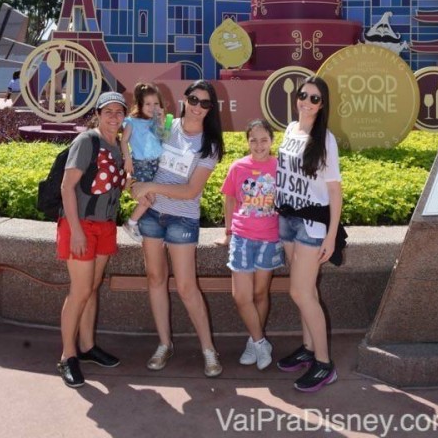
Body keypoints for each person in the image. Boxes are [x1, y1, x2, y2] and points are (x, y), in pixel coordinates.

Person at [131, 80, 225, 377]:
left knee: (186, 286)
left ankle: (209, 349)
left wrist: (151, 186)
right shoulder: (165, 125)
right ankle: (164, 343)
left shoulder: (210, 145)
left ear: (211, 109)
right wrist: (134, 182)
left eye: (205, 103)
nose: (198, 107)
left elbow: (189, 191)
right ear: (184, 99)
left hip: (182, 218)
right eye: (194, 100)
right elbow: (141, 155)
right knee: (155, 278)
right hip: (151, 214)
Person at [274, 75, 342, 392]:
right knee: (308, 291)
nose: (307, 102)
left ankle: (325, 364)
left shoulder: (325, 139)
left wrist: (330, 237)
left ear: (322, 104)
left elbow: (335, 192)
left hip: (312, 225)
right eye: (304, 95)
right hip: (288, 218)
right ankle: (308, 349)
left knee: (299, 292)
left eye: (315, 98)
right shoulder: (290, 129)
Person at [57, 91, 128, 389]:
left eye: (118, 111)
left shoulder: (117, 145)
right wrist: (76, 231)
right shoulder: (88, 141)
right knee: (80, 290)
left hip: (105, 225)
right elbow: (66, 187)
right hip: (81, 225)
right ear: (98, 114)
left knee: (92, 288)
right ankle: (67, 356)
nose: (113, 116)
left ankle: (87, 346)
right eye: (107, 111)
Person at [220, 119, 284, 370]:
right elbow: (229, 201)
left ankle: (252, 341)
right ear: (247, 142)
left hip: (270, 238)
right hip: (242, 237)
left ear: (272, 141)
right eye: (253, 140)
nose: (259, 145)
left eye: (264, 140)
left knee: (260, 294)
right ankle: (260, 342)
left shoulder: (280, 167)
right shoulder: (238, 167)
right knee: (241, 296)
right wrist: (227, 232)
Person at [121, 82, 166, 243]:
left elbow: (163, 139)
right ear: (140, 104)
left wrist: (160, 121)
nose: (152, 107)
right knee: (147, 199)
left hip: (156, 165)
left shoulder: (159, 122)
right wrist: (127, 160)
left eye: (156, 104)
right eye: (148, 104)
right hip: (140, 165)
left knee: (152, 198)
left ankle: (136, 222)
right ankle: (131, 223)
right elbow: (123, 141)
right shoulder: (132, 122)